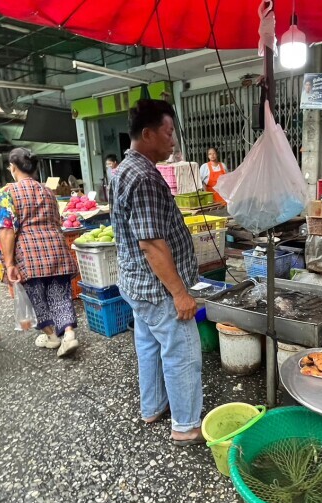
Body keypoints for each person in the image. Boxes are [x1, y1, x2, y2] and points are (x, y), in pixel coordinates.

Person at [110, 99, 203, 446]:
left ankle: (153, 407)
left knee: (149, 346)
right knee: (182, 351)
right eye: (168, 133)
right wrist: (180, 293)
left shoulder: (123, 170)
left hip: (135, 283)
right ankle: (186, 424)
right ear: (147, 134)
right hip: (156, 289)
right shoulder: (145, 176)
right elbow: (151, 244)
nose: (173, 141)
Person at [0, 148, 80, 358]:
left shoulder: (8, 193)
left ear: (13, 168)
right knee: (60, 295)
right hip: (56, 248)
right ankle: (69, 334)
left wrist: (9, 264)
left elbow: (6, 230)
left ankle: (52, 337)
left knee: (38, 298)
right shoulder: (47, 191)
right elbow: (57, 221)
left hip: (30, 253)